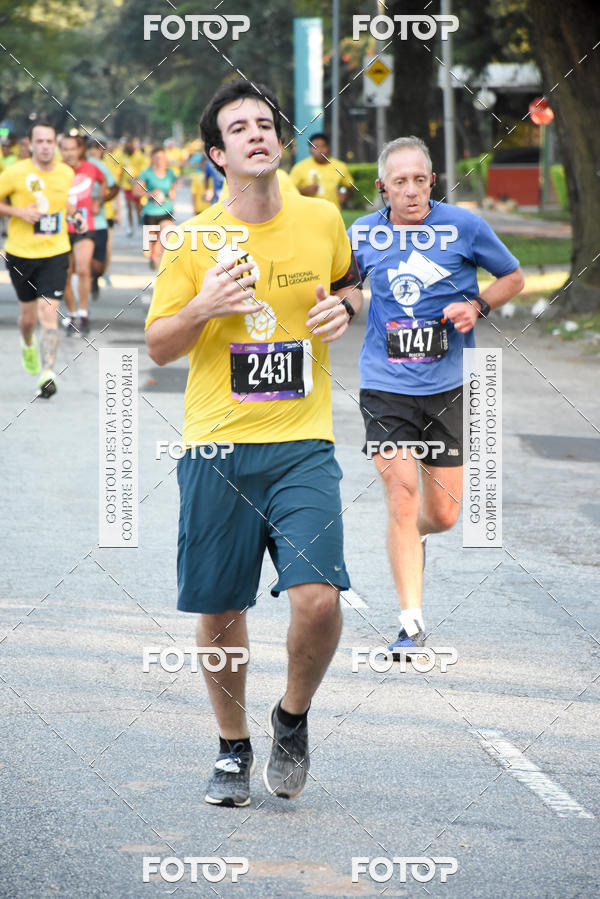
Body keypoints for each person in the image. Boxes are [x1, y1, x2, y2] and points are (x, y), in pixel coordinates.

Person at [145, 80, 362, 808]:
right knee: (221, 608)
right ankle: (232, 747)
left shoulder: (323, 217)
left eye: (265, 123)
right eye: (239, 128)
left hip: (302, 441)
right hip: (216, 447)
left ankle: (291, 719)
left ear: (281, 139)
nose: (256, 134)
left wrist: (347, 306)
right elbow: (157, 347)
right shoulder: (191, 239)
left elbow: (351, 282)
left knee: (320, 600)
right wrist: (204, 305)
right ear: (217, 154)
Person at [348, 136, 524, 656]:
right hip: (385, 385)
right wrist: (338, 306)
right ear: (382, 187)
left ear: (432, 181)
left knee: (443, 514)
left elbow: (512, 276)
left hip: (448, 384)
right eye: (398, 182)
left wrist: (478, 307)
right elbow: (347, 288)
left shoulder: (463, 227)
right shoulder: (362, 234)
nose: (410, 191)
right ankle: (411, 624)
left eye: (419, 180)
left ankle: (416, 534)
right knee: (401, 497)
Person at [0, 122, 74, 398]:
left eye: (49, 141)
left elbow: (66, 202)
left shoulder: (66, 173)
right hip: (21, 253)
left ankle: (47, 373)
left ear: (55, 144)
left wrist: (74, 214)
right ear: (30, 144)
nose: (45, 146)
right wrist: (18, 212)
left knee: (48, 313)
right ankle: (27, 342)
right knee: (28, 318)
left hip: (55, 252)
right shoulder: (15, 172)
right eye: (40, 141)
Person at [60, 134, 107, 335]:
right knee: (65, 274)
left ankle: (83, 313)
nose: (69, 153)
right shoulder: (56, 170)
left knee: (84, 269)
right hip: (60, 228)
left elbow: (104, 182)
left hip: (84, 225)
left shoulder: (90, 168)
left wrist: (98, 200)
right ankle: (72, 314)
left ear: (79, 150)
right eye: (65, 149)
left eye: (73, 149)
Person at [134, 146, 177, 269]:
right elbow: (136, 191)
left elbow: (173, 189)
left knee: (167, 232)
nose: (160, 160)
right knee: (152, 241)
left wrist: (173, 193)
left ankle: (162, 258)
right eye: (157, 158)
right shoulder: (146, 173)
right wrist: (150, 194)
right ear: (152, 158)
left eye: (162, 158)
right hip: (150, 211)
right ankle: (154, 256)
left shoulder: (170, 173)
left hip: (166, 209)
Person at [86, 142, 120, 298]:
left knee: (102, 253)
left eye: (95, 150)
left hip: (101, 217)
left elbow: (115, 187)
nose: (93, 153)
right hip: (79, 222)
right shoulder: (72, 168)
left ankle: (97, 276)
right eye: (90, 150)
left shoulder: (101, 166)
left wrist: (100, 200)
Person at [290, 133, 353, 209]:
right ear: (310, 149)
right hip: (308, 213)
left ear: (328, 148)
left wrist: (344, 192)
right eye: (315, 147)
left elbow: (349, 186)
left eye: (323, 146)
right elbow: (288, 191)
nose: (319, 150)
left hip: (331, 213)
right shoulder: (300, 167)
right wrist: (303, 191)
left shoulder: (339, 166)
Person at [119, 138, 147, 235]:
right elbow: (120, 169)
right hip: (126, 186)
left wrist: (137, 179)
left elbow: (143, 169)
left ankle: (140, 217)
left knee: (137, 205)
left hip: (137, 185)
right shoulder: (123, 156)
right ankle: (130, 227)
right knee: (129, 206)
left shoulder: (139, 156)